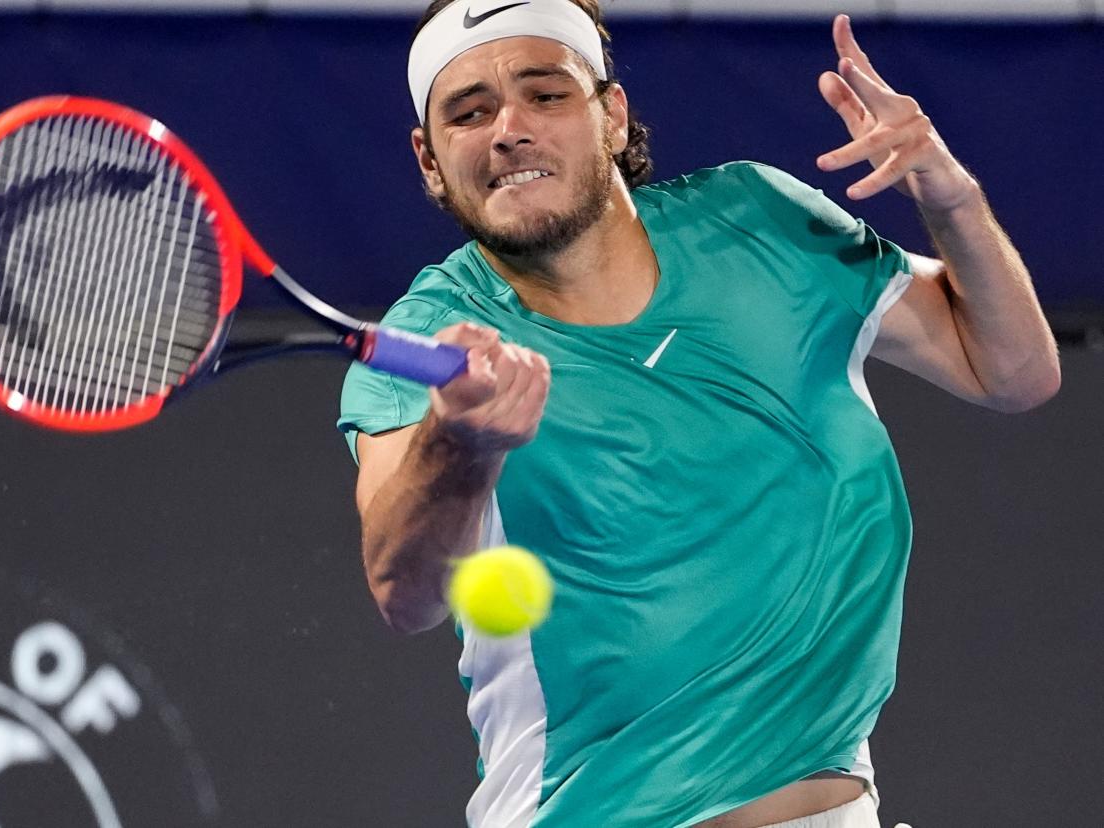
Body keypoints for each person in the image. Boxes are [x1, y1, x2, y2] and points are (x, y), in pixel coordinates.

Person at [337, 1, 1061, 826]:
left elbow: (1013, 370)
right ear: (430, 161)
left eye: (545, 95)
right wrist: (459, 441)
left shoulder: (763, 222)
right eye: (469, 112)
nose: (508, 128)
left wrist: (951, 194)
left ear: (610, 115)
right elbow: (405, 593)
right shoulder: (428, 336)